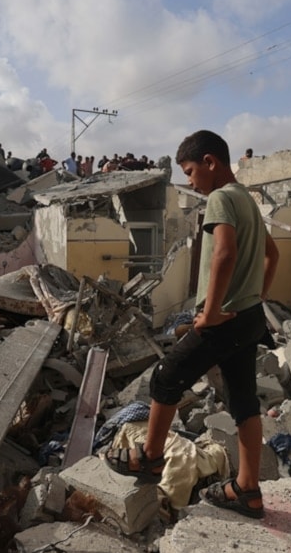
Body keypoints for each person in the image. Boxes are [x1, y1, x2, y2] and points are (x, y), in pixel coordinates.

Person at [103, 130, 279, 519]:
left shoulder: (220, 198)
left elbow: (225, 253)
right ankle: (248, 489)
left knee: (166, 378)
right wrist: (257, 297)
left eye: (190, 171)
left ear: (210, 163)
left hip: (224, 319)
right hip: (249, 317)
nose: (189, 181)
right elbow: (273, 255)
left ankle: (149, 458)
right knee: (243, 401)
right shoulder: (247, 200)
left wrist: (212, 311)